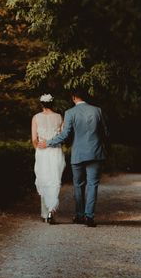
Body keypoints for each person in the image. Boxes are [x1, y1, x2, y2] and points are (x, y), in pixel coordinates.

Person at [38, 88, 108, 227]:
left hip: (78, 154)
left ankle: (80, 215)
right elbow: (105, 132)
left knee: (78, 185)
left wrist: (48, 143)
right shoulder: (97, 110)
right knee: (93, 185)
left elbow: (65, 135)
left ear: (74, 97)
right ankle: (89, 216)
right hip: (95, 152)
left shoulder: (70, 113)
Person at [32, 93, 66, 224]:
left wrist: (38, 150)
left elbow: (34, 139)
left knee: (44, 180)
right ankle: (51, 212)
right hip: (55, 151)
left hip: (42, 152)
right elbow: (62, 137)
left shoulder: (36, 117)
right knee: (54, 180)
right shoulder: (59, 117)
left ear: (41, 104)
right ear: (52, 103)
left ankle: (45, 213)